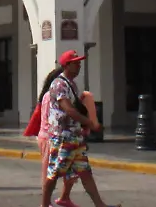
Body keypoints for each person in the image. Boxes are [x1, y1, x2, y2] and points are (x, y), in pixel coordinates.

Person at [40, 50, 117, 207]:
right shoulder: (59, 84)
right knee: (54, 173)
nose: (79, 65)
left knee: (85, 172)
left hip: (74, 137)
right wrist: (90, 123)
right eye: (76, 63)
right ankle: (44, 204)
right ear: (67, 65)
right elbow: (69, 110)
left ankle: (100, 204)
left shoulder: (71, 84)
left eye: (79, 63)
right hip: (62, 137)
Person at [35, 65, 79, 207]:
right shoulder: (50, 96)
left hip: (54, 135)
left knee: (69, 169)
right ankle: (45, 203)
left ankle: (64, 197)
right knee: (51, 172)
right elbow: (51, 119)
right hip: (50, 136)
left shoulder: (56, 94)